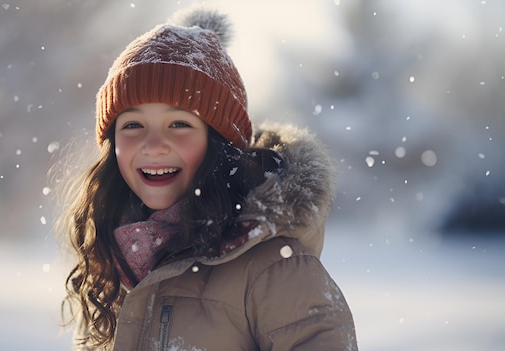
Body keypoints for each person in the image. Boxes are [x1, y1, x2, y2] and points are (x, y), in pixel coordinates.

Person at [55, 5, 358, 351]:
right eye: (133, 125)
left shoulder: (275, 270)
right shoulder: (116, 263)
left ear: (219, 144)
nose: (153, 146)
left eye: (179, 124)